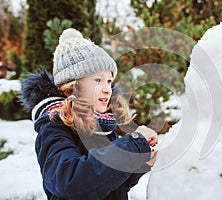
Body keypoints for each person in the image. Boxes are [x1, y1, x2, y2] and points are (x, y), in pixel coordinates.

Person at [21, 28, 158, 200]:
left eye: (109, 81)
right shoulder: (53, 126)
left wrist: (138, 161)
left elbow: (109, 184)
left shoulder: (104, 125)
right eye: (97, 80)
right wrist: (131, 145)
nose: (107, 89)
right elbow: (72, 182)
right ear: (72, 86)